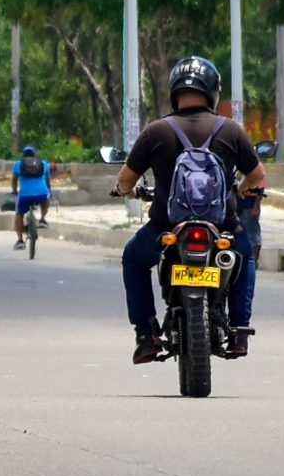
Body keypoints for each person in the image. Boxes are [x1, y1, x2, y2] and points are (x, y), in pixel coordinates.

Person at [114, 56, 267, 364]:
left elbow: (126, 179)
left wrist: (124, 190)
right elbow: (258, 177)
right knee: (245, 255)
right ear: (212, 90)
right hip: (222, 227)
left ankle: (146, 334)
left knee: (133, 258)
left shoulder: (155, 131)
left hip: (166, 228)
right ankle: (239, 328)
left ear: (175, 91)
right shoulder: (231, 131)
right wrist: (244, 188)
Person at [10, 144, 52, 247]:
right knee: (46, 198)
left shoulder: (18, 165)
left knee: (19, 214)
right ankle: (42, 219)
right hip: (41, 195)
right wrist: (49, 192)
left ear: (23, 155)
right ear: (34, 154)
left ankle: (20, 241)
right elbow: (48, 181)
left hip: (25, 196)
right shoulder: (44, 164)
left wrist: (14, 191)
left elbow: (14, 181)